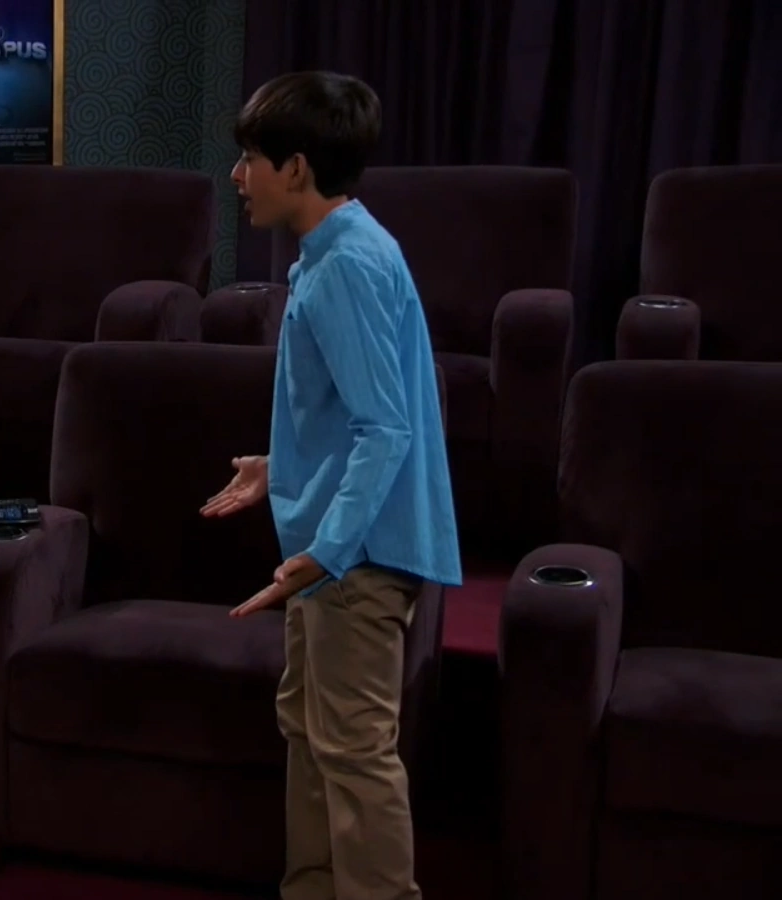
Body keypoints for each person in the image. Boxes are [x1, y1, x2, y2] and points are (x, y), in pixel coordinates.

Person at [201, 72, 461, 900]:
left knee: (351, 751)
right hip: (333, 547)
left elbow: (385, 429)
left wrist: (325, 551)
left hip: (355, 556)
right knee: (311, 734)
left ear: (297, 168)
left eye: (250, 158)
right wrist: (278, 466)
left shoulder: (347, 264)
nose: (238, 176)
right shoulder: (332, 253)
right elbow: (353, 416)